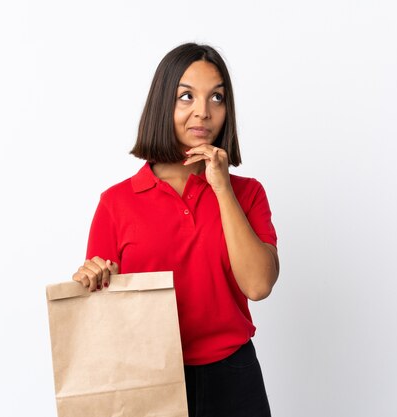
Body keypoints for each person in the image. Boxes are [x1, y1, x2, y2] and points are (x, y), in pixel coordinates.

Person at [72, 42, 279, 417]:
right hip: (145, 380)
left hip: (234, 377)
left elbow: (259, 285)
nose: (203, 111)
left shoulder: (247, 193)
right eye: (186, 96)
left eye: (217, 97)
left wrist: (221, 187)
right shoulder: (116, 203)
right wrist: (94, 276)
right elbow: (102, 311)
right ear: (163, 104)